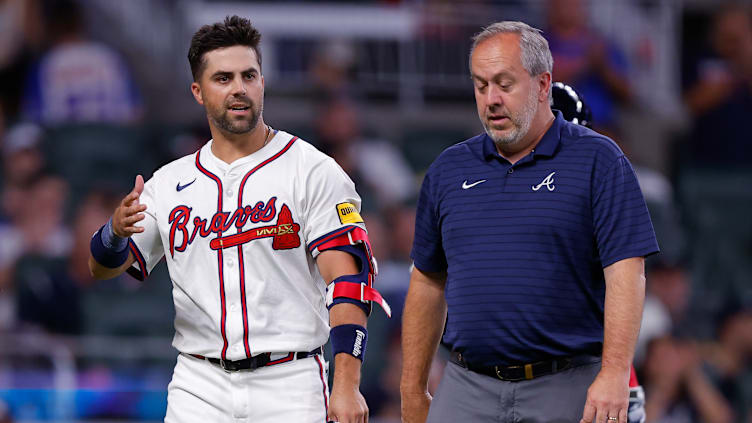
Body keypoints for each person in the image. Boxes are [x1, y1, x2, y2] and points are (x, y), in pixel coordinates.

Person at [88, 16, 389, 423]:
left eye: (249, 75)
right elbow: (103, 269)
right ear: (198, 91)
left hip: (289, 380)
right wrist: (114, 232)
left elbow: (349, 282)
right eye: (223, 78)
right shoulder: (170, 181)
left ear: (262, 81)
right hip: (198, 383)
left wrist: (347, 385)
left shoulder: (312, 170)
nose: (239, 88)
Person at [400, 21, 658, 423]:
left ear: (542, 85)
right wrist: (413, 389)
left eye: (505, 83)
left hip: (568, 381)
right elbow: (426, 281)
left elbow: (627, 273)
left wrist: (614, 374)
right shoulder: (448, 169)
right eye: (481, 85)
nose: (491, 99)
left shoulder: (599, 161)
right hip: (467, 385)